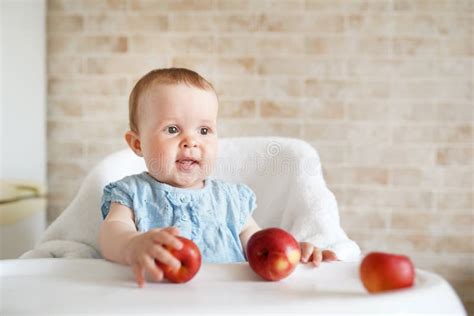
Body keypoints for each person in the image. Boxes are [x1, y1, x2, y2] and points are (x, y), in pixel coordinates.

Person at [98, 68, 337, 287]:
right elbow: (112, 231)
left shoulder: (230, 199)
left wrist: (293, 253)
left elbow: (261, 247)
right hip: (157, 300)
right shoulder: (132, 192)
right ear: (138, 144)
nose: (191, 141)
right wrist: (132, 246)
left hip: (228, 300)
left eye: (204, 130)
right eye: (172, 129)